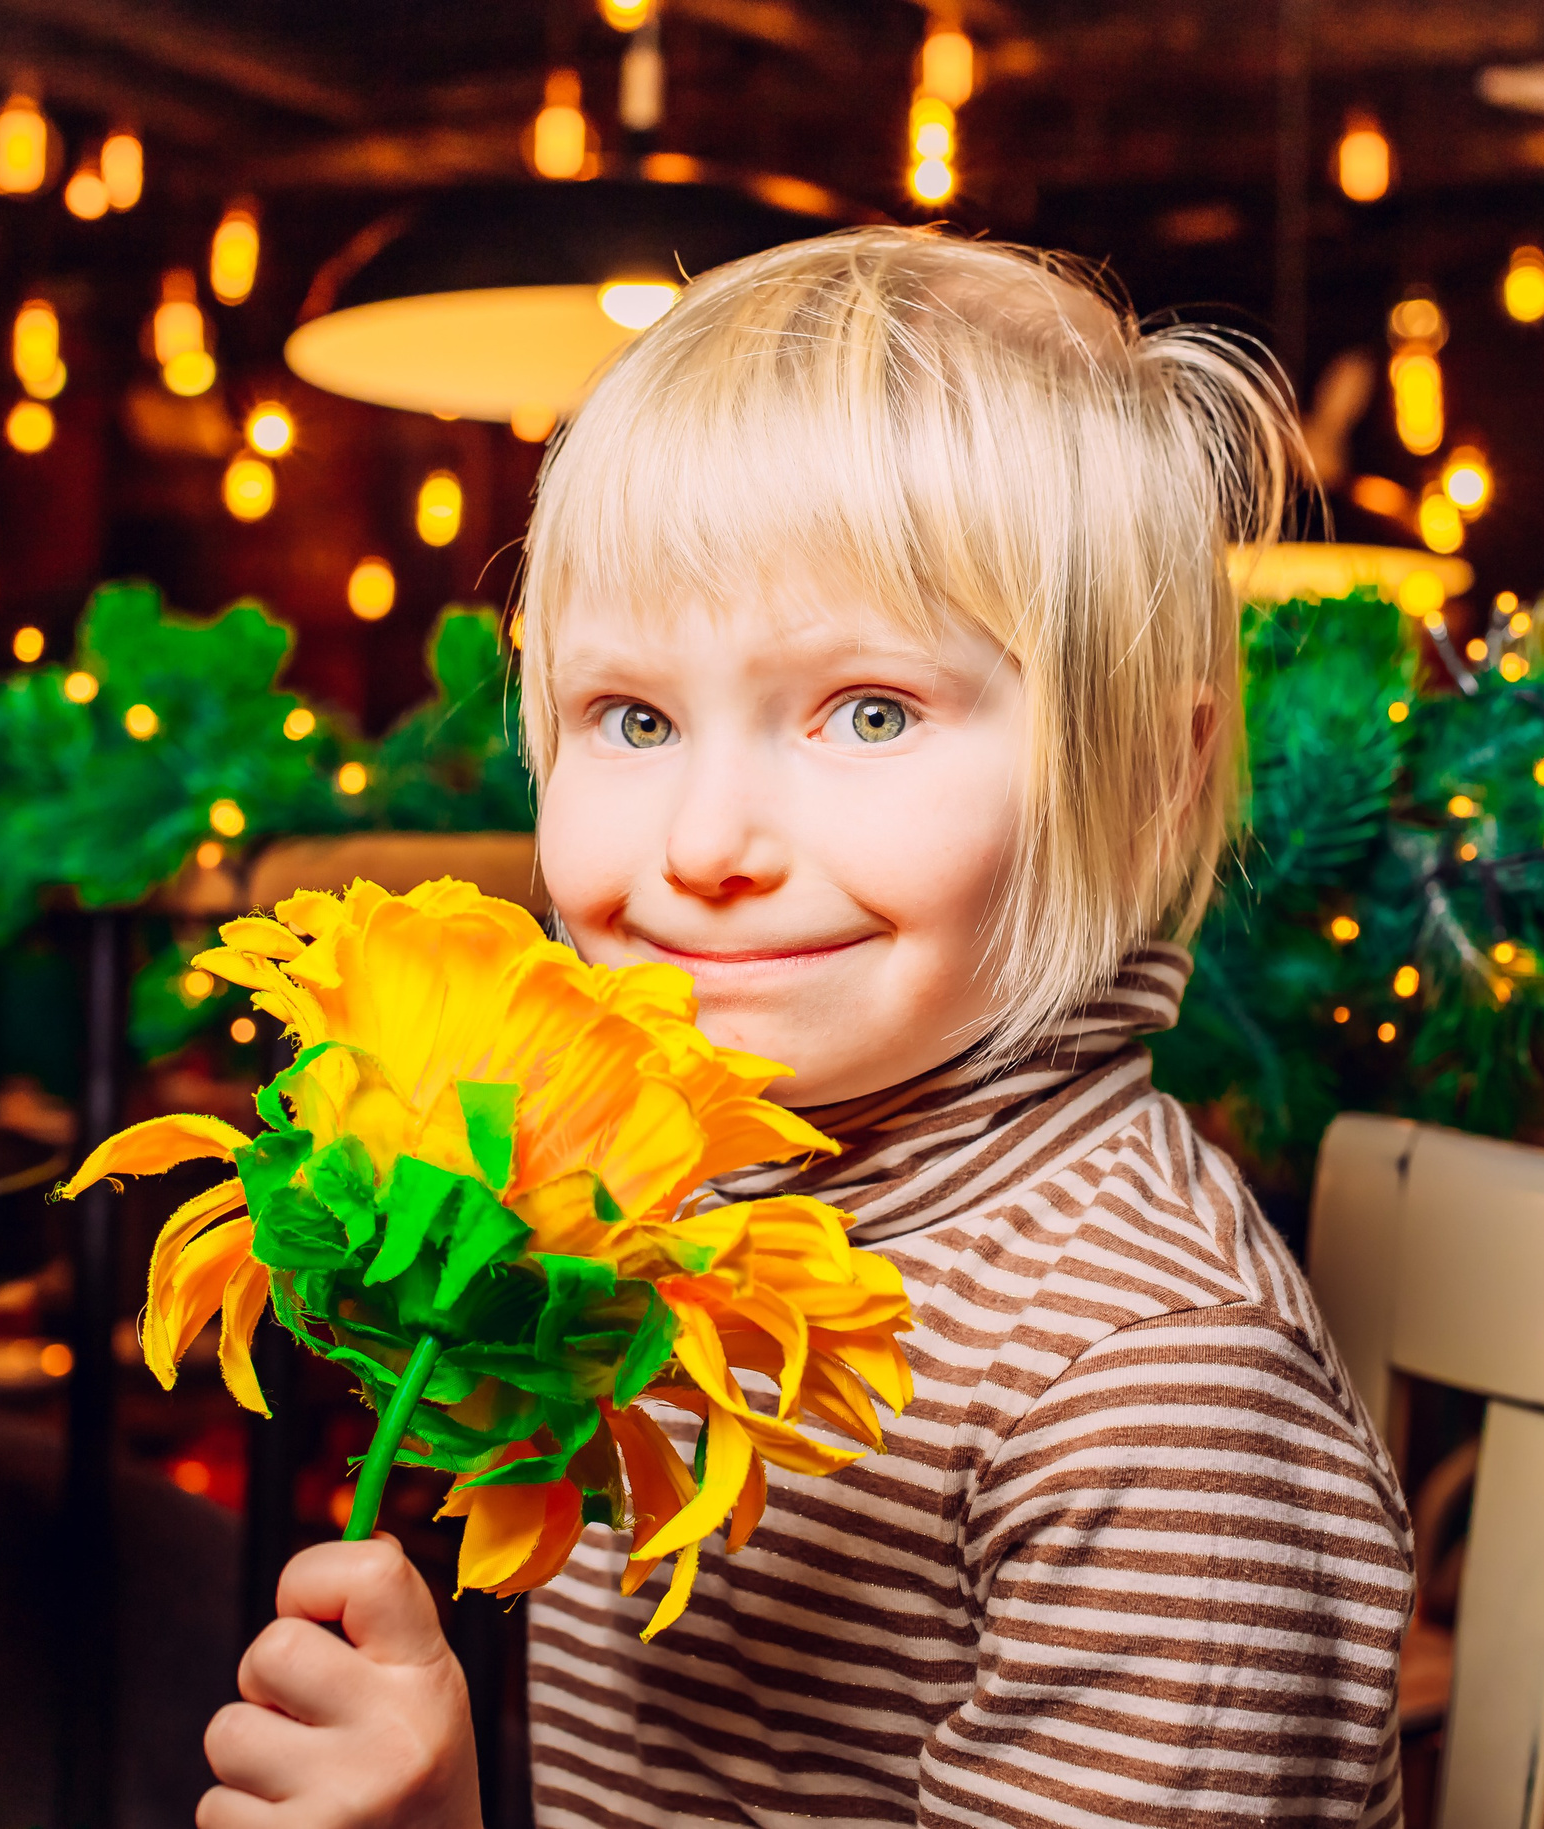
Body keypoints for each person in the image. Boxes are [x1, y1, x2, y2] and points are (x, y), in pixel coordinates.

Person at [196, 227, 1413, 1829]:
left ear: (1154, 771)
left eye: (870, 711)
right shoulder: (670, 1203)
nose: (708, 843)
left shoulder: (1147, 1390)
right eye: (631, 716)